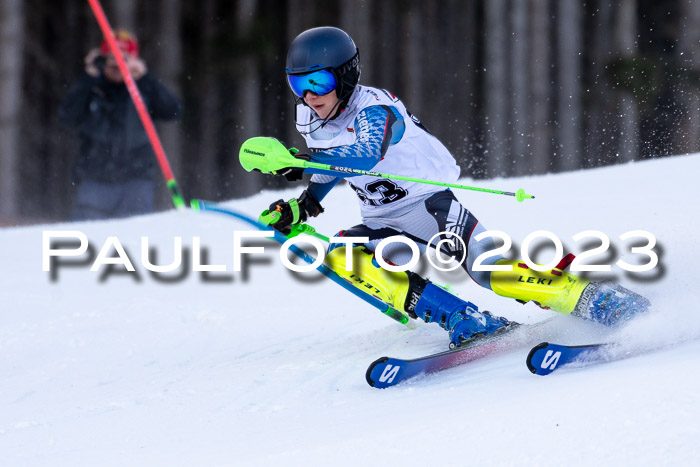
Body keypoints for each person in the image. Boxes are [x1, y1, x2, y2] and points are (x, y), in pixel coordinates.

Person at [257, 26, 649, 347]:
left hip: (428, 207)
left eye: (319, 81)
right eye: (298, 85)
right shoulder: (311, 116)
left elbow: (363, 155)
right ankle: (461, 317)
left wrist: (301, 161)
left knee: (487, 269)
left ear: (344, 76)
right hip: (380, 217)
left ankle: (593, 298)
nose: (309, 95)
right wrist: (304, 205)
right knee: (343, 256)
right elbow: (333, 165)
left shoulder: (376, 108)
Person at [59, 29, 182, 221]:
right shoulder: (91, 87)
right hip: (95, 178)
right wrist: (89, 76)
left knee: (135, 238)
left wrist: (144, 78)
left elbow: (173, 111)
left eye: (122, 58)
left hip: (136, 179)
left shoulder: (143, 87)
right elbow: (67, 115)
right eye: (111, 58)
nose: (116, 65)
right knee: (89, 236)